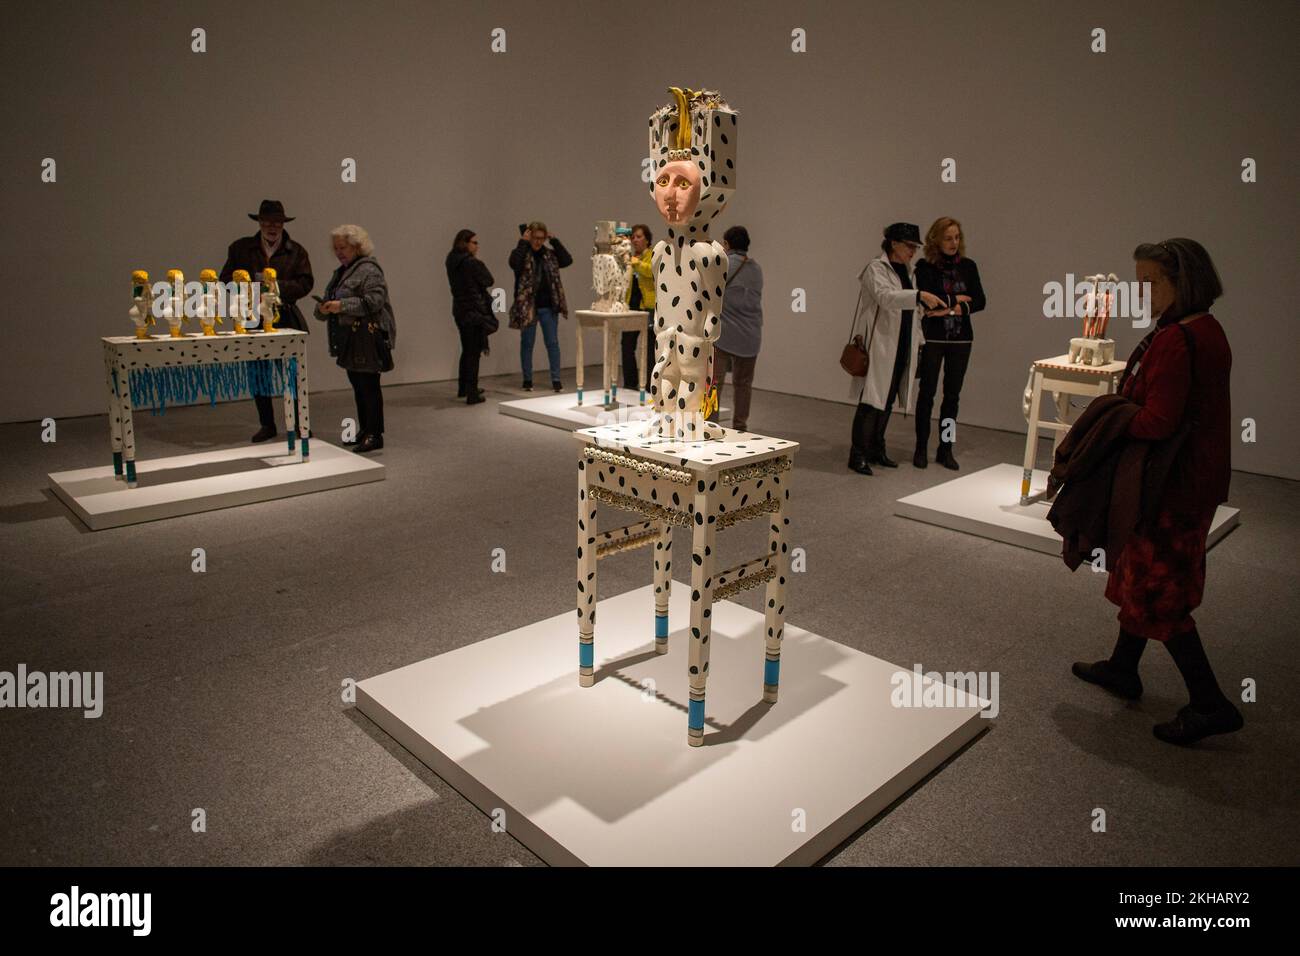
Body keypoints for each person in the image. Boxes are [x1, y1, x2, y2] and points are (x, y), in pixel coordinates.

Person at [1071, 238, 1241, 746]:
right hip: (1194, 481)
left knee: (1158, 590)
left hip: (1171, 487)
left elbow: (1157, 421)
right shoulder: (1206, 329)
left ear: (1180, 281)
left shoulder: (1176, 340)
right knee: (1143, 574)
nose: (1141, 293)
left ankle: (1211, 703)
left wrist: (1111, 417)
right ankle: (1124, 668)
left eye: (1150, 283)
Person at [847, 223, 947, 474]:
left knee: (889, 399)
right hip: (880, 345)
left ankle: (876, 448)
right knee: (871, 401)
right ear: (894, 244)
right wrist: (918, 296)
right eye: (909, 246)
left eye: (914, 247)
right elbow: (885, 297)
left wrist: (920, 340)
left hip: (902, 344)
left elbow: (911, 311)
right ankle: (857, 454)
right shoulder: (875, 268)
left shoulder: (908, 271)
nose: (913, 251)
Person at [220, 200, 314, 443]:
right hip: (253, 317)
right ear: (260, 222)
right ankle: (267, 424)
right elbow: (225, 279)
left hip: (286, 316)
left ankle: (300, 422)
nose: (272, 226)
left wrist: (275, 288)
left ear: (283, 224)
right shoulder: (240, 248)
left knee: (292, 374)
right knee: (259, 373)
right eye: (268, 221)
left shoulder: (297, 251)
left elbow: (306, 283)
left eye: (277, 222)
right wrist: (251, 287)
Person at [913, 217, 986, 470]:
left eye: (957, 237)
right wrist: (958, 301)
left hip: (961, 339)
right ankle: (920, 448)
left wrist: (949, 310)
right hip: (932, 338)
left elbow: (980, 301)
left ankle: (945, 449)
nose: (954, 243)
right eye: (948, 238)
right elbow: (926, 299)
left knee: (952, 397)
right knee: (927, 394)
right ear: (936, 240)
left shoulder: (969, 266)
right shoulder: (924, 266)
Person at [313, 225, 393, 454]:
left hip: (366, 338)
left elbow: (375, 301)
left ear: (357, 247)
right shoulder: (342, 271)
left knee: (368, 387)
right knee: (359, 386)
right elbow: (330, 303)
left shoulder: (369, 269)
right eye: (336, 248)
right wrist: (324, 308)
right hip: (351, 338)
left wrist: (341, 306)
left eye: (343, 247)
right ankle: (365, 430)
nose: (339, 252)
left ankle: (374, 434)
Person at [710, 225, 763, 431]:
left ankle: (710, 423)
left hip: (725, 334)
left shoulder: (722, 264)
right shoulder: (756, 268)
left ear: (727, 244)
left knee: (714, 383)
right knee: (744, 385)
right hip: (751, 336)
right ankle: (740, 426)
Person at [509, 221, 572, 392]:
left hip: (548, 307)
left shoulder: (549, 254)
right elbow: (513, 263)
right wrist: (522, 242)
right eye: (535, 238)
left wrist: (554, 240)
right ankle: (527, 380)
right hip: (528, 307)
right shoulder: (523, 254)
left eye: (541, 238)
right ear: (529, 237)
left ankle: (556, 380)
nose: (538, 242)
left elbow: (567, 260)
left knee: (552, 343)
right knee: (527, 344)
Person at [446, 229, 495, 405]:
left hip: (460, 310)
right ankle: (472, 393)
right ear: (465, 243)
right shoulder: (471, 263)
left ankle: (463, 387)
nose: (477, 245)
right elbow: (489, 280)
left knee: (467, 350)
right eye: (474, 242)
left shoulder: (451, 260)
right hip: (474, 311)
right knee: (473, 352)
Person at [621, 224, 656, 390]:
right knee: (627, 346)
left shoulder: (653, 254)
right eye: (633, 237)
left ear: (647, 239)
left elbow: (651, 271)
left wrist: (635, 262)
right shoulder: (630, 257)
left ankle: (650, 385)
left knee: (649, 349)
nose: (635, 240)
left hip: (648, 307)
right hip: (631, 307)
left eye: (639, 236)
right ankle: (630, 383)